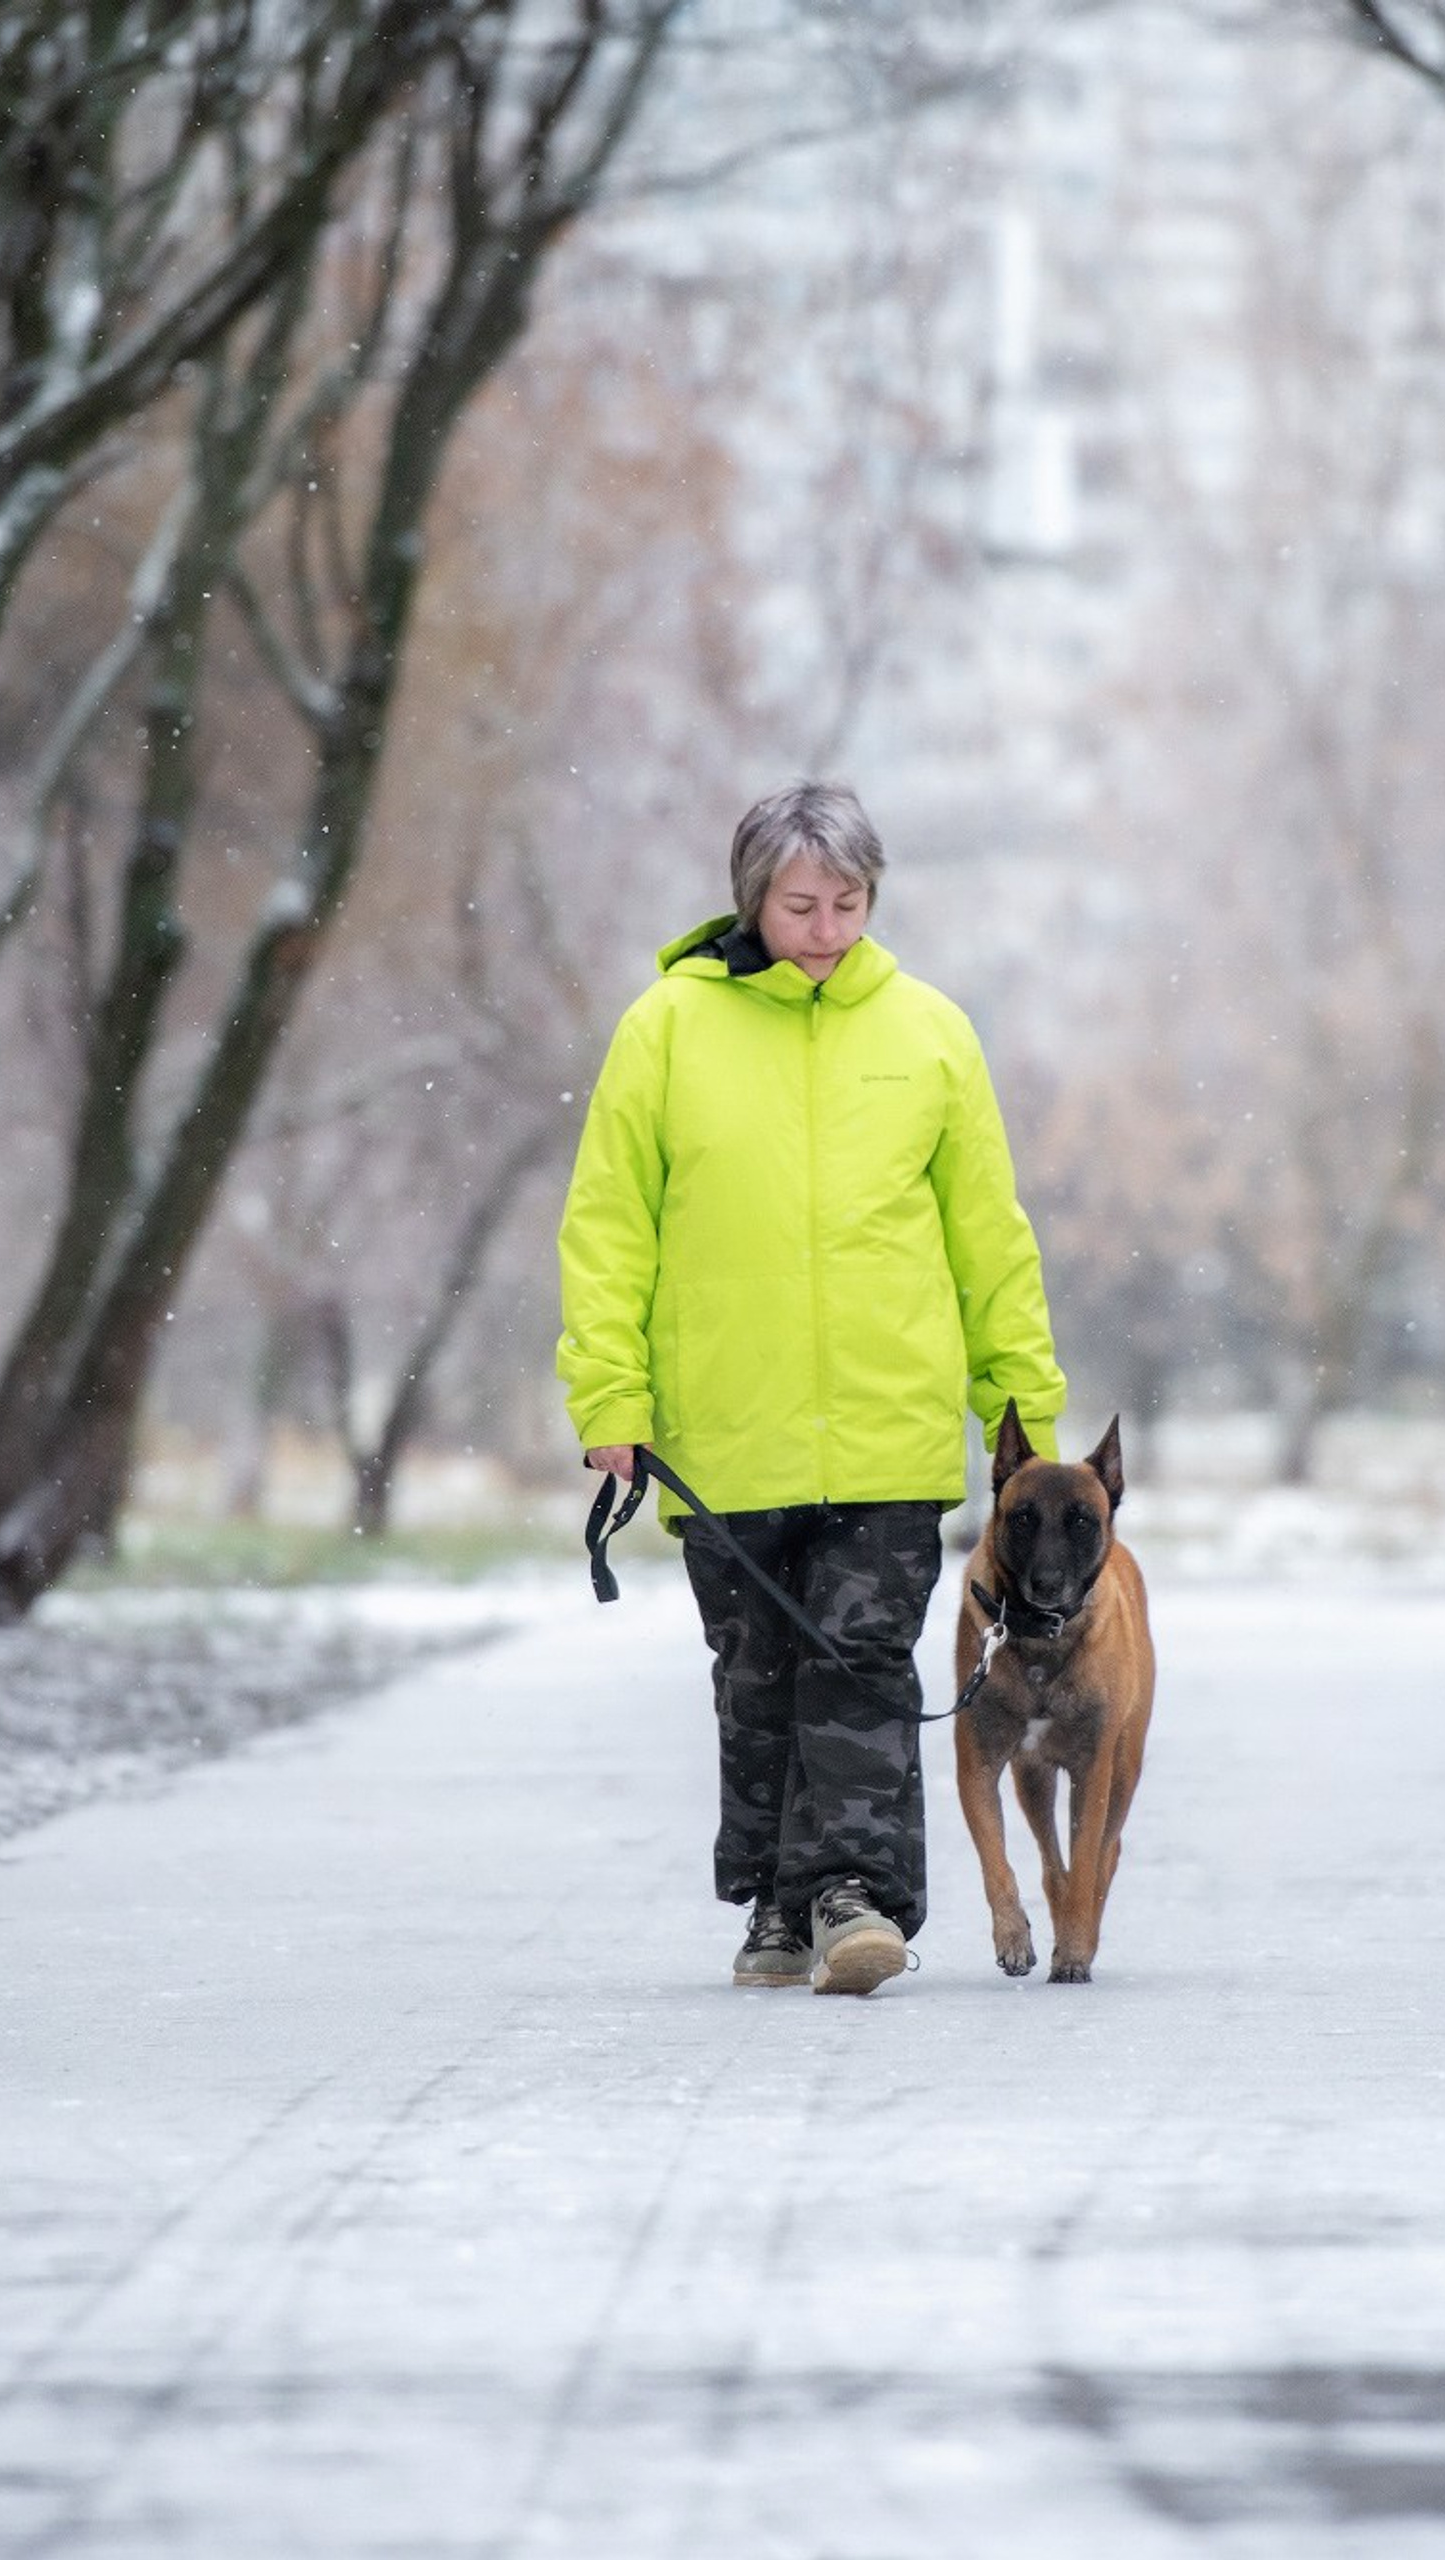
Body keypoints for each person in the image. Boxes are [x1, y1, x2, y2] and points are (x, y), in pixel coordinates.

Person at [557, 780, 1066, 1996]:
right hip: (722, 1433)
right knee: (758, 1684)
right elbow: (608, 1226)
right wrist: (609, 1400)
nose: (827, 926)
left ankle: (854, 1901)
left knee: (860, 1664)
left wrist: (1023, 1414)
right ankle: (777, 1910)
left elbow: (987, 1237)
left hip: (886, 1429)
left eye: (849, 902)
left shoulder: (931, 1032)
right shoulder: (665, 1030)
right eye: (800, 904)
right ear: (751, 899)